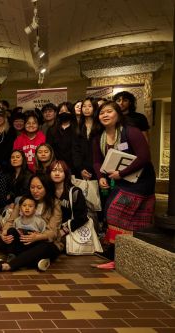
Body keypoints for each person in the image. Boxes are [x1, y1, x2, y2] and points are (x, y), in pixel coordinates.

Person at [92, 101, 155, 268]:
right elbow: (97, 161)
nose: (104, 115)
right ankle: (120, 257)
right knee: (117, 215)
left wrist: (121, 173)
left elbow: (144, 156)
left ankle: (121, 256)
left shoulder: (131, 132)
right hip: (121, 180)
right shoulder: (99, 137)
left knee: (115, 213)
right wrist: (100, 177)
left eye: (109, 111)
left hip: (141, 181)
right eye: (101, 112)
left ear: (118, 114)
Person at [0, 173, 62, 273]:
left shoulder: (54, 203)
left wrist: (37, 237)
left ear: (46, 187)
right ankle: (36, 261)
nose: (35, 191)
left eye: (39, 188)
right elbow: (11, 221)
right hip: (23, 239)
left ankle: (7, 265)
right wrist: (5, 232)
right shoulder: (24, 201)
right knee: (4, 238)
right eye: (32, 187)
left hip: (43, 241)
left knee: (46, 248)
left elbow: (53, 232)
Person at [48, 160, 88, 238]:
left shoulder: (75, 192)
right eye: (53, 170)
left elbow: (82, 217)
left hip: (72, 233)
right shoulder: (48, 192)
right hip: (52, 230)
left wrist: (64, 230)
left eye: (60, 171)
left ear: (65, 174)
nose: (57, 173)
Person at [46, 102, 81, 176]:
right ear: (58, 114)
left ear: (71, 112)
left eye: (66, 111)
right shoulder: (52, 130)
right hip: (57, 168)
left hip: (75, 169)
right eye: (61, 111)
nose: (64, 113)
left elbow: (80, 150)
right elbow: (49, 149)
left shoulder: (78, 129)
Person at [76, 97, 101, 180]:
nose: (86, 109)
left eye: (90, 106)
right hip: (82, 167)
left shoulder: (101, 126)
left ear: (95, 107)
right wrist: (80, 168)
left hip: (99, 166)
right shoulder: (78, 126)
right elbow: (75, 149)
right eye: (84, 106)